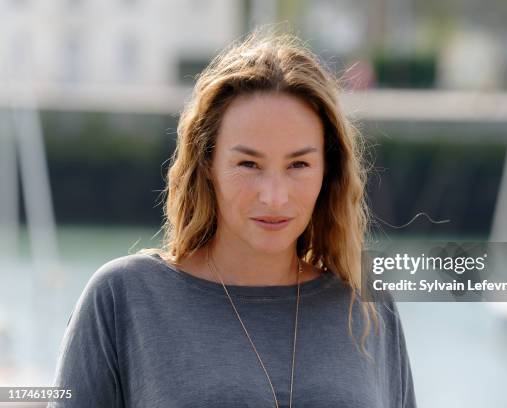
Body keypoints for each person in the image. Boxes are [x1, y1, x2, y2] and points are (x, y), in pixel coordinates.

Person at [49, 30, 417, 408]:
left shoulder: (369, 305)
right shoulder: (125, 297)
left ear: (329, 169)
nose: (274, 196)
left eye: (299, 164)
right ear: (207, 163)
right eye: (248, 164)